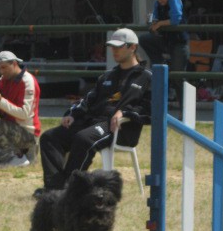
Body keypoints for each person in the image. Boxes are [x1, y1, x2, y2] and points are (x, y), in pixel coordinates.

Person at [36, 28, 151, 195]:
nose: (114, 51)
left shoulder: (146, 77)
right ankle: (53, 188)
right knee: (50, 137)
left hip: (120, 128)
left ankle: (70, 189)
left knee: (83, 139)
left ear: (133, 47)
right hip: (92, 122)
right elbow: (87, 100)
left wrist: (125, 113)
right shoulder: (107, 76)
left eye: (119, 47)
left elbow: (150, 110)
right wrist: (72, 114)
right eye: (112, 47)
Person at [0, 51, 41, 167]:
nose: (2, 71)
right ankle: (19, 157)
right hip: (11, 130)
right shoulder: (3, 80)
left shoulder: (27, 81)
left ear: (14, 64)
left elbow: (24, 113)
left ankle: (14, 159)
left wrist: (0, 100)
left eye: (4, 67)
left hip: (27, 134)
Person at [139, 0, 189, 73]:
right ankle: (159, 63)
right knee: (144, 39)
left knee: (177, 76)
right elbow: (155, 17)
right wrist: (151, 22)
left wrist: (159, 24)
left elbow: (175, 19)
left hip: (178, 42)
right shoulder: (157, 3)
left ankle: (175, 84)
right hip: (165, 39)